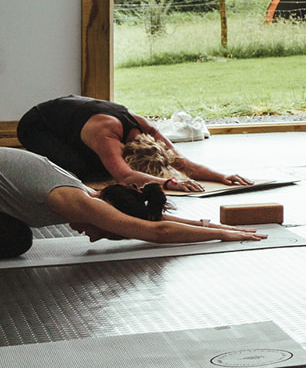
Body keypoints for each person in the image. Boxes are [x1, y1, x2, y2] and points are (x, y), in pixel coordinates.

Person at [0, 147, 266, 258]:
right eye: (103, 231)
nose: (92, 239)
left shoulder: (90, 195)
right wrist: (221, 234)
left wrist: (204, 224)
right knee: (15, 239)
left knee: (15, 237)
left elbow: (146, 219)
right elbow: (156, 231)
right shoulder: (76, 201)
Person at [17, 95, 250, 193]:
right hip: (37, 125)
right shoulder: (106, 135)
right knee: (85, 172)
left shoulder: (147, 128)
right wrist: (169, 183)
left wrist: (221, 177)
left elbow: (182, 162)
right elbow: (126, 176)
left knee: (102, 167)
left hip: (71, 117)